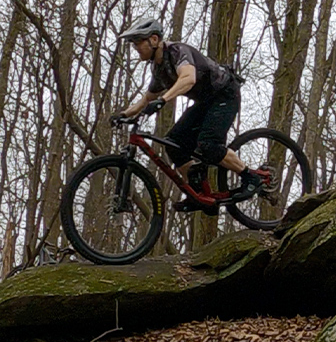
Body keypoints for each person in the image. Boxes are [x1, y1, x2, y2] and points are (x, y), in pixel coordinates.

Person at [111, 18, 266, 212]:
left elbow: (188, 78)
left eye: (138, 43)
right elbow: (146, 100)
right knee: (175, 144)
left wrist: (163, 100)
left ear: (154, 39)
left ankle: (251, 176)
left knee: (209, 145)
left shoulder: (176, 51)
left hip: (224, 93)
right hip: (206, 102)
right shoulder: (159, 68)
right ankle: (199, 193)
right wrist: (123, 114)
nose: (136, 48)